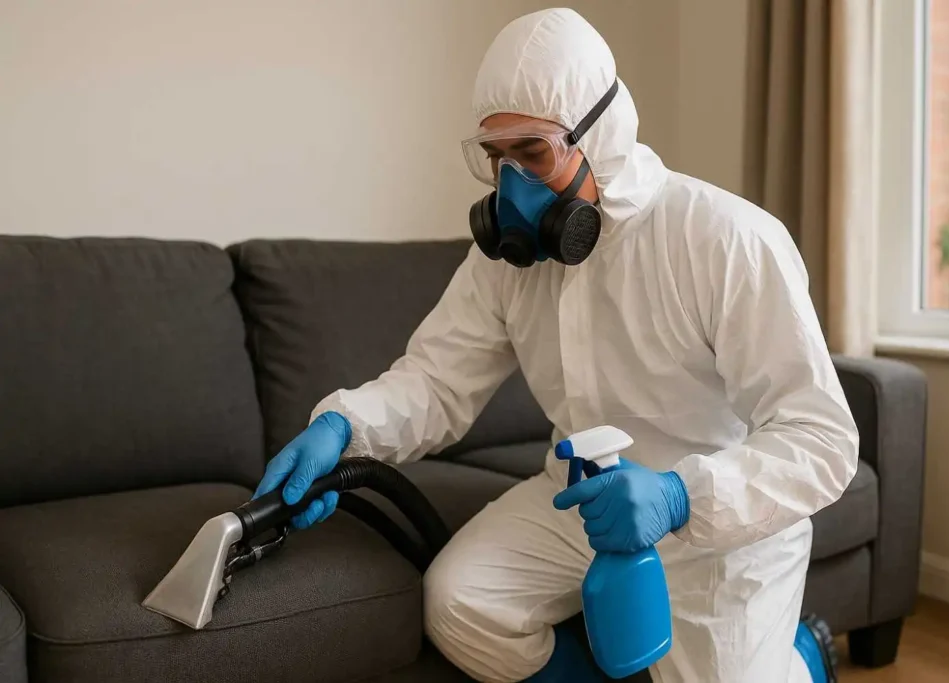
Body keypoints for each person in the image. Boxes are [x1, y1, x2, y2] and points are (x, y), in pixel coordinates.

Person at [253, 8, 856, 683]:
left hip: (717, 527)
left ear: (603, 134)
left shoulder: (726, 241)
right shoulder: (508, 263)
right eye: (497, 158)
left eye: (532, 153)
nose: (513, 187)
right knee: (459, 603)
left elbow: (822, 439)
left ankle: (801, 654)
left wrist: (679, 497)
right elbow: (435, 381)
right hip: (578, 498)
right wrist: (344, 427)